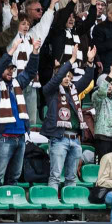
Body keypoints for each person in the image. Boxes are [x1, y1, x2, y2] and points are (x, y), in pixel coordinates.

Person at [0, 36, 40, 191]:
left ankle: (8, 212)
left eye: (13, 69)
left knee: (13, 179)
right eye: (8, 68)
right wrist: (12, 50)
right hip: (2, 138)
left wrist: (35, 52)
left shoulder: (17, 83)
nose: (11, 71)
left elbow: (30, 72)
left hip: (20, 138)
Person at [41, 49, 96, 191]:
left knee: (71, 177)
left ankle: (72, 206)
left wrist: (89, 62)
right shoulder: (50, 90)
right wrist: (71, 60)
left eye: (69, 76)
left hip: (75, 139)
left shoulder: (73, 90)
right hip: (59, 138)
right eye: (63, 76)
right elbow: (58, 76)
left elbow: (87, 79)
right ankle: (51, 205)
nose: (66, 78)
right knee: (55, 176)